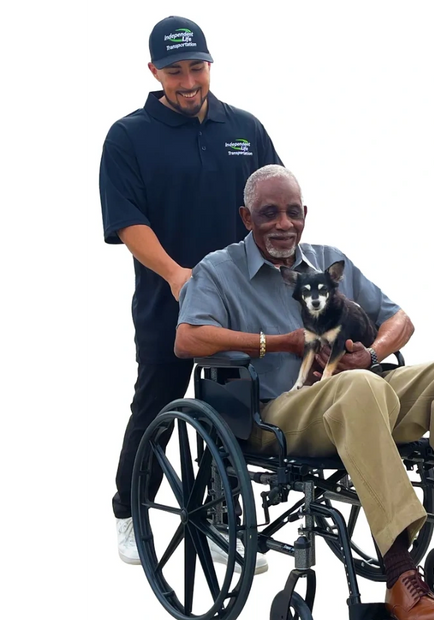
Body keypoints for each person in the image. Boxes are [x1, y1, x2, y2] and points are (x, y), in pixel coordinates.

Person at [175, 165, 434, 620]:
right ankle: (401, 575)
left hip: (358, 391)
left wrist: (371, 353)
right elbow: (188, 339)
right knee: (359, 387)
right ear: (247, 218)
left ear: (305, 214)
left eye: (293, 212)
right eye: (269, 213)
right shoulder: (218, 271)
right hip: (275, 411)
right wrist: (279, 342)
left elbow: (400, 319)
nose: (283, 224)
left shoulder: (328, 260)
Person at [99, 15, 281, 571]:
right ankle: (129, 512)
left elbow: (274, 205)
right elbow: (127, 221)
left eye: (196, 67)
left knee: (233, 409)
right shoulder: (129, 137)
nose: (187, 81)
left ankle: (223, 517)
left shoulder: (244, 129)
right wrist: (177, 275)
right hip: (168, 302)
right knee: (156, 404)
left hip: (241, 302)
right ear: (153, 71)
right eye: (174, 70)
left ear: (209, 65)